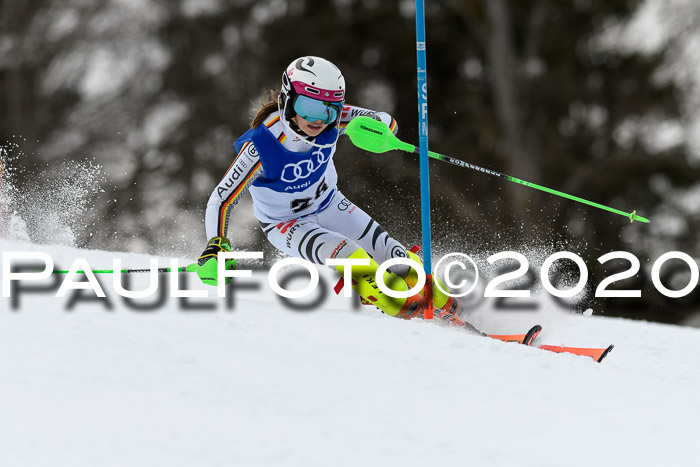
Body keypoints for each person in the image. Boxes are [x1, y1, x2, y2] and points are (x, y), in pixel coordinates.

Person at [195, 56, 461, 323]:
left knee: (398, 259)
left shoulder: (333, 121)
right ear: (288, 99)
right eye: (308, 106)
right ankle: (411, 322)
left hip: (331, 203)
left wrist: (381, 130)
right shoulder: (261, 145)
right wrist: (216, 245)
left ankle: (458, 313)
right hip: (286, 224)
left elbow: (382, 120)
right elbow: (222, 198)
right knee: (351, 256)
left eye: (329, 109)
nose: (318, 119)